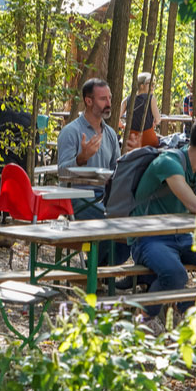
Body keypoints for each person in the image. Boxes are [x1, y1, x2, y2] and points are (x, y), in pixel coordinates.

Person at [119, 114, 196, 309]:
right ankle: (141, 320)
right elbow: (194, 205)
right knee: (176, 274)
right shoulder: (169, 162)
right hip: (147, 238)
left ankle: (185, 310)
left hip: (184, 237)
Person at [57, 78, 128, 266]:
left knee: (131, 225)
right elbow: (62, 172)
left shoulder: (111, 134)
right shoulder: (71, 132)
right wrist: (82, 158)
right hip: (76, 197)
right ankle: (92, 273)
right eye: (103, 99)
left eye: (110, 98)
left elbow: (117, 171)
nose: (109, 104)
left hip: (105, 196)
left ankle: (98, 272)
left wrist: (133, 155)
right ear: (88, 101)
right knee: (109, 223)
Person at [121, 72, 161, 151]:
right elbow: (158, 119)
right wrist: (154, 123)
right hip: (148, 138)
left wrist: (123, 126)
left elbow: (116, 118)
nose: (153, 86)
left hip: (131, 139)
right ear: (142, 86)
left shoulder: (127, 99)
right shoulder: (151, 98)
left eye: (153, 84)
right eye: (150, 84)